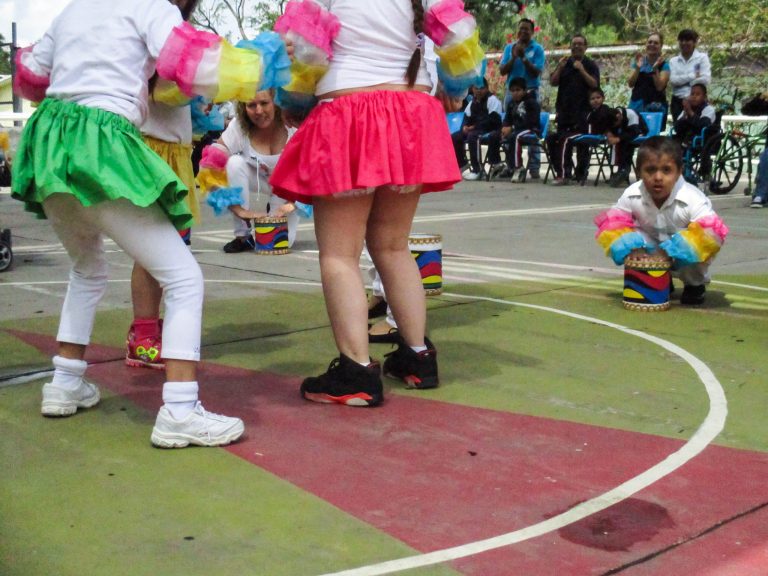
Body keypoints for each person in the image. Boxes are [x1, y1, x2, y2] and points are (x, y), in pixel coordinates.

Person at [9, 0, 278, 446]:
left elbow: (32, 77)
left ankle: (65, 381)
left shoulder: (74, 10)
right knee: (184, 278)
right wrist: (257, 63)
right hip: (101, 145)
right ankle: (179, 408)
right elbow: (196, 66)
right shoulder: (152, 7)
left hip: (50, 146)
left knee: (86, 267)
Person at [270, 0, 483, 405]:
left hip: (349, 111)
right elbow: (460, 38)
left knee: (339, 254)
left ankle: (356, 372)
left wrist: (295, 105)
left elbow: (305, 51)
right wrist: (452, 90)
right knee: (392, 245)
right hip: (412, 112)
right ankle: (418, 357)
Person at [594, 136, 728, 305]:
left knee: (698, 246)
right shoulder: (631, 193)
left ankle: (695, 285)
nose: (658, 177)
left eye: (666, 170)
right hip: (651, 242)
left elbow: (711, 234)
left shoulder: (693, 197)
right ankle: (658, 280)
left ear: (679, 171)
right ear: (638, 171)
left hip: (683, 251)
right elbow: (615, 225)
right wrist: (634, 248)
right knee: (629, 238)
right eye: (650, 170)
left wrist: (669, 253)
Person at [199, 92, 308, 253]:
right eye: (251, 105)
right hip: (255, 178)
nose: (258, 111)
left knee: (274, 244)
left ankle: (275, 207)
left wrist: (291, 206)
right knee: (234, 163)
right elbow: (208, 168)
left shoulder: (294, 126)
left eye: (264, 103)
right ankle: (242, 235)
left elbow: (316, 174)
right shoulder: (239, 126)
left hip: (288, 189)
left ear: (276, 103)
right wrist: (238, 210)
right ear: (244, 108)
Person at [547, 34, 600, 184]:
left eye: (580, 44)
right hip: (565, 113)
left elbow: (595, 85)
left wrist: (582, 70)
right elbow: (553, 82)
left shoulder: (590, 65)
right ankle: (564, 170)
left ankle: (579, 172)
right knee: (552, 139)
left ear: (585, 47)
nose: (576, 47)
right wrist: (559, 68)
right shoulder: (565, 63)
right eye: (574, 44)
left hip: (583, 115)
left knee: (573, 142)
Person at [498, 18, 545, 179]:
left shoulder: (537, 49)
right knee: (508, 128)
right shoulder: (509, 48)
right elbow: (502, 71)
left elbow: (536, 71)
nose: (523, 32)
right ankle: (511, 165)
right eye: (521, 29)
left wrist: (524, 57)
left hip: (530, 92)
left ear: (532, 32)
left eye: (527, 29)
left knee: (531, 127)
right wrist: (513, 57)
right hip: (511, 93)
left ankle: (534, 166)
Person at [486, 77, 541, 181]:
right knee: (493, 135)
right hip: (514, 130)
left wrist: (512, 128)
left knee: (514, 137)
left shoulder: (531, 103)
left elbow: (531, 121)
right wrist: (504, 128)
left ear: (524, 90)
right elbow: (507, 119)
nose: (515, 93)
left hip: (530, 129)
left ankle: (518, 167)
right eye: (513, 90)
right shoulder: (511, 104)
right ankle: (497, 163)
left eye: (518, 90)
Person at [451, 78, 503, 180]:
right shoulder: (472, 103)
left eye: (482, 88)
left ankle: (477, 169)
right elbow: (467, 118)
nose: (478, 91)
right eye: (476, 88)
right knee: (455, 137)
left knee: (473, 137)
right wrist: (465, 127)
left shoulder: (492, 100)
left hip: (489, 130)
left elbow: (493, 120)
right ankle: (462, 164)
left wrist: (474, 127)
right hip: (475, 129)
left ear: (487, 88)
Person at [627, 32, 670, 131]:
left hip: (655, 108)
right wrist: (637, 68)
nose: (652, 45)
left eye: (655, 43)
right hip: (636, 105)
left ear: (661, 46)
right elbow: (630, 83)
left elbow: (660, 87)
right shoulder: (638, 62)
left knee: (652, 140)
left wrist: (655, 69)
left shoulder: (665, 65)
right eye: (650, 42)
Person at [599, 106, 649, 187]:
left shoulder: (631, 114)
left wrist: (618, 139)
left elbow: (634, 132)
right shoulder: (610, 117)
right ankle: (621, 169)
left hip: (639, 132)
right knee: (619, 143)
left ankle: (624, 168)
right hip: (623, 134)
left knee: (625, 142)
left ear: (619, 116)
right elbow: (607, 127)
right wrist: (609, 133)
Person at [669, 29, 711, 123]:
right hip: (677, 101)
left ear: (694, 42)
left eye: (687, 40)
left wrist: (683, 80)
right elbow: (673, 81)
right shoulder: (673, 61)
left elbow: (705, 79)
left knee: (695, 129)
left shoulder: (702, 58)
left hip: (697, 102)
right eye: (681, 40)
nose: (684, 43)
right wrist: (693, 76)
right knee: (679, 130)